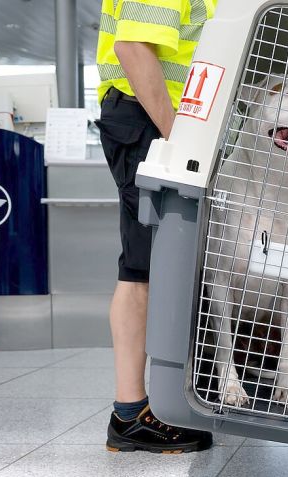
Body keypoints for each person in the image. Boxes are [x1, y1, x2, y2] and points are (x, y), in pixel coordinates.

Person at [96, 0, 218, 453]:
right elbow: (133, 48)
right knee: (144, 267)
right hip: (149, 117)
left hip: (164, 121)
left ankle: (175, 401)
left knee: (163, 264)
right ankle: (130, 415)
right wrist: (178, 140)